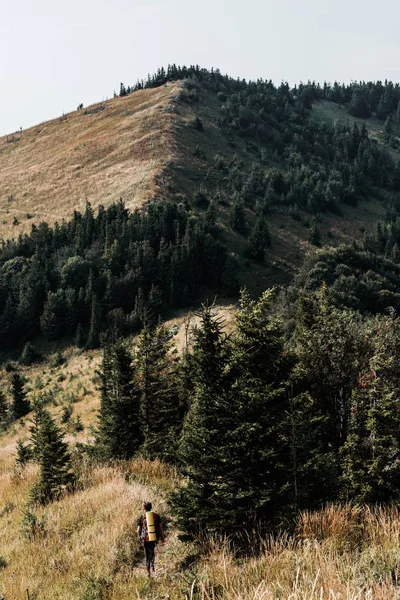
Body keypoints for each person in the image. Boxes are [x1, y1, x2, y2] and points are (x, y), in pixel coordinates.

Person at [137, 501, 164, 576]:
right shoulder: (156, 516)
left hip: (145, 538)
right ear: (151, 507)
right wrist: (162, 537)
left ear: (144, 508)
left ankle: (148, 571)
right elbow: (161, 528)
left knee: (147, 554)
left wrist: (140, 537)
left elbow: (138, 530)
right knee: (152, 551)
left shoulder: (142, 517)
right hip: (154, 537)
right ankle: (152, 564)